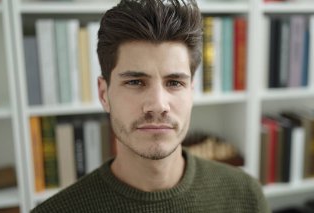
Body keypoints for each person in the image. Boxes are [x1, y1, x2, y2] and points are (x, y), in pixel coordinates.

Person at [32, 0, 270, 212]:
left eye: (175, 82)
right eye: (135, 82)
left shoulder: (246, 195)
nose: (158, 105)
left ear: (191, 92)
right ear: (104, 94)